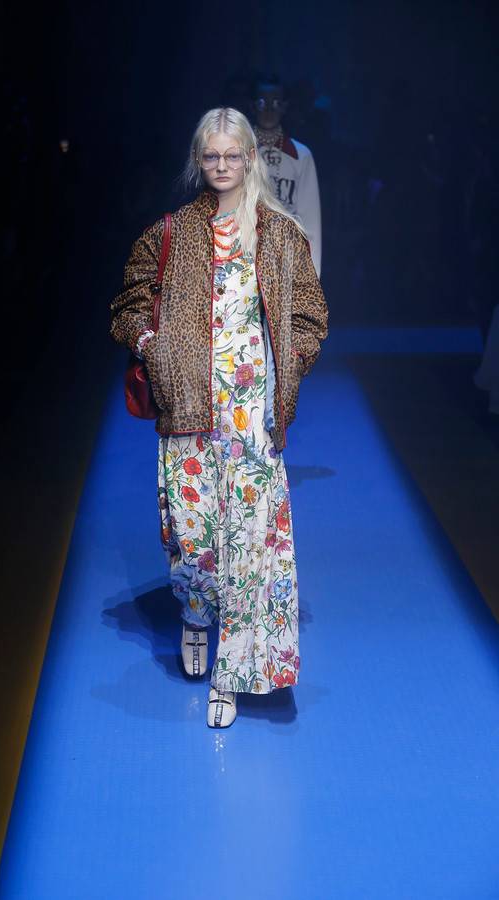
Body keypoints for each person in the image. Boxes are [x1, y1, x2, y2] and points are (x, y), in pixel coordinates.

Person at [110, 108, 328, 728]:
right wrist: (154, 346)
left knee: (249, 545)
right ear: (198, 160)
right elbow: (128, 304)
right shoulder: (172, 232)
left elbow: (311, 316)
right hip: (188, 408)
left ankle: (230, 678)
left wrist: (289, 366)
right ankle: (195, 612)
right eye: (212, 156)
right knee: (195, 542)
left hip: (253, 413)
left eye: (233, 155)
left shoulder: (279, 235)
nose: (223, 165)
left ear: (250, 159)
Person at [252, 76, 323, 278]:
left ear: (284, 107)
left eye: (275, 103)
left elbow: (310, 222)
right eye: (262, 103)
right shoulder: (237, 153)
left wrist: (311, 279)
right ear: (253, 106)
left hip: (284, 262)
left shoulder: (301, 155)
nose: (268, 110)